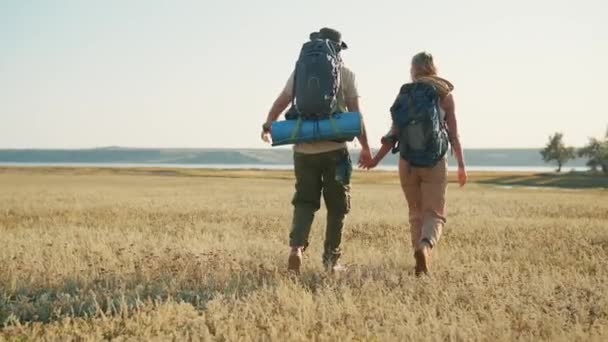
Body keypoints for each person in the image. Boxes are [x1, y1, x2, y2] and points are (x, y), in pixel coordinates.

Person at [261, 28, 372, 274]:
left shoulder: (300, 72)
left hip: (303, 150)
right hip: (336, 150)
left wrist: (268, 123)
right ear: (338, 48)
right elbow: (356, 115)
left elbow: (282, 101)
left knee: (304, 202)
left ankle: (296, 249)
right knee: (337, 207)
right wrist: (365, 147)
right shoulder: (346, 74)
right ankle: (331, 261)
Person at [361, 52, 466, 276]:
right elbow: (454, 135)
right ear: (434, 68)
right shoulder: (444, 94)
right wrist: (461, 165)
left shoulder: (406, 94)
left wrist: (375, 160)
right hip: (434, 162)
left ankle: (418, 258)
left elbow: (394, 132)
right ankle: (425, 247)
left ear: (414, 70)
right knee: (434, 214)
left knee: (415, 213)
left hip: (407, 163)